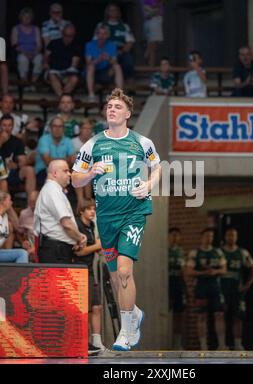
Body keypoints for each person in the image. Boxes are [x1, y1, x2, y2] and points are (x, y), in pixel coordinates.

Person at [72, 88, 161, 351]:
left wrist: (149, 184)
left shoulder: (142, 142)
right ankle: (133, 313)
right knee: (114, 277)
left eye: (117, 106)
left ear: (128, 114)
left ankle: (127, 330)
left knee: (124, 271)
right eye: (109, 106)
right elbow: (75, 177)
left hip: (134, 212)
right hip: (106, 216)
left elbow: (157, 167)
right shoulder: (93, 144)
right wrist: (89, 174)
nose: (111, 109)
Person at [33, 159, 87, 264]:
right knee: (56, 281)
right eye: (66, 171)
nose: (70, 174)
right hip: (55, 250)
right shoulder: (52, 190)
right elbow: (66, 224)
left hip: (57, 249)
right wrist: (80, 238)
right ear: (55, 173)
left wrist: (75, 239)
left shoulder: (53, 189)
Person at [73, 199, 106, 355]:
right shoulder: (78, 226)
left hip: (90, 270)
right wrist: (98, 245)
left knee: (96, 307)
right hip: (79, 270)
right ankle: (82, 343)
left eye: (94, 208)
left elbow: (93, 247)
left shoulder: (91, 226)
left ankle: (97, 342)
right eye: (88, 209)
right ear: (81, 211)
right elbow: (79, 251)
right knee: (84, 309)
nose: (92, 211)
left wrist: (97, 249)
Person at [185, 228, 227, 350]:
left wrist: (214, 271)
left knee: (219, 314)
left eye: (211, 236)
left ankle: (221, 344)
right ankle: (203, 345)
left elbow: (224, 270)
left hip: (215, 286)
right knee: (201, 315)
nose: (209, 238)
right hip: (201, 286)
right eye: (207, 236)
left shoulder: (218, 252)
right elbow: (188, 271)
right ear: (202, 237)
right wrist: (204, 272)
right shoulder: (195, 253)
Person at [221, 227, 253, 350]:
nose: (231, 237)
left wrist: (247, 284)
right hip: (222, 289)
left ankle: (237, 343)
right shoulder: (219, 252)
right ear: (225, 237)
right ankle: (223, 343)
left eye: (234, 235)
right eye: (229, 235)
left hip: (237, 290)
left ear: (236, 237)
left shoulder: (242, 252)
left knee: (238, 316)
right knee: (222, 315)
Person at [95, 3, 135, 83]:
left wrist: (122, 51)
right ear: (107, 12)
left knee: (128, 61)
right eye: (111, 10)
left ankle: (128, 82)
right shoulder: (101, 25)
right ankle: (103, 80)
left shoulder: (124, 26)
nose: (113, 12)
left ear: (118, 12)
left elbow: (130, 42)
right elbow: (95, 41)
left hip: (120, 50)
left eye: (115, 10)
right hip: (105, 51)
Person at [0, 114, 36, 196]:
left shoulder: (17, 141)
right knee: (2, 175)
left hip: (12, 172)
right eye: (4, 125)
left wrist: (17, 165)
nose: (7, 128)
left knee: (30, 170)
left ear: (13, 126)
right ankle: (4, 206)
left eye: (9, 125)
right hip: (1, 172)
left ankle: (31, 204)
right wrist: (1, 141)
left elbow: (22, 160)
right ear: (0, 126)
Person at [85, 25, 123, 102]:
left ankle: (119, 94)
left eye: (104, 34)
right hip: (94, 72)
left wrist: (107, 58)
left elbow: (114, 62)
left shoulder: (112, 45)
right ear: (96, 34)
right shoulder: (89, 45)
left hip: (107, 72)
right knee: (91, 67)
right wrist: (98, 59)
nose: (102, 36)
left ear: (108, 35)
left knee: (117, 66)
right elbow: (88, 62)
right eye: (100, 33)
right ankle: (91, 94)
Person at [35, 116, 75, 188]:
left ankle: (86, 198)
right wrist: (65, 160)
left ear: (63, 129)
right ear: (50, 128)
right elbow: (47, 161)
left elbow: (73, 160)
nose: (57, 129)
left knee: (77, 174)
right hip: (44, 171)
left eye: (60, 126)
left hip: (64, 171)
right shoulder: (44, 139)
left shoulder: (67, 140)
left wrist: (54, 160)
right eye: (55, 126)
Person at [44, 24, 80, 97]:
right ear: (62, 34)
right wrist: (46, 65)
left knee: (74, 79)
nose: (67, 38)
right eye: (65, 35)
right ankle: (63, 100)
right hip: (53, 71)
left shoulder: (76, 45)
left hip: (67, 73)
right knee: (52, 76)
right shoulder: (53, 43)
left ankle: (62, 100)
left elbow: (74, 63)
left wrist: (70, 70)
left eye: (70, 36)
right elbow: (45, 58)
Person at [10, 7, 43, 86]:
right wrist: (25, 53)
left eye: (29, 17)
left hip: (34, 52)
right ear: (21, 17)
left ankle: (33, 83)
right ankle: (24, 82)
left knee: (39, 59)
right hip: (21, 52)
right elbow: (14, 44)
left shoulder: (36, 29)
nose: (27, 19)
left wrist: (35, 52)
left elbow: (39, 44)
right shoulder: (16, 28)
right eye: (25, 17)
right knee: (22, 60)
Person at [168, 227, 186, 350]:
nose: (175, 238)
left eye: (177, 235)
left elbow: (184, 271)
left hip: (178, 284)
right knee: (166, 312)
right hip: (166, 284)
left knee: (178, 314)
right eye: (172, 235)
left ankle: (177, 343)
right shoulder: (164, 250)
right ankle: (165, 340)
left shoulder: (181, 252)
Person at [0, 191, 28, 263]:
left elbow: (18, 227)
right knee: (21, 253)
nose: (11, 203)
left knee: (22, 253)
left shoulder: (5, 216)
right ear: (3, 202)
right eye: (9, 200)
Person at [141, 0, 164, 66]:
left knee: (153, 44)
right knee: (151, 44)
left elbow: (158, 5)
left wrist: (152, 10)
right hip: (148, 19)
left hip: (155, 18)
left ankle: (151, 66)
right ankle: (150, 66)